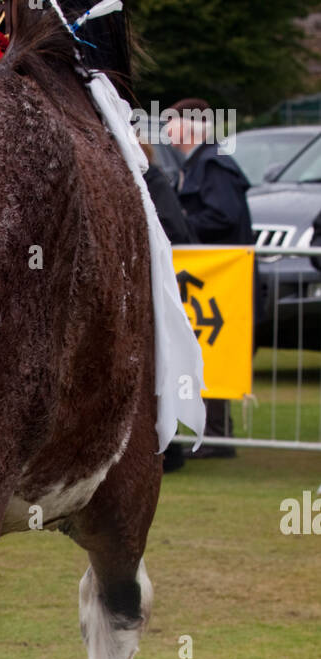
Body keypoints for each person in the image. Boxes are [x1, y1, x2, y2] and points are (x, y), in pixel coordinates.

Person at [167, 98, 254, 458]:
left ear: (189, 126)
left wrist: (181, 228)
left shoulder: (214, 165)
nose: (166, 131)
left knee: (214, 351)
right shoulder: (200, 164)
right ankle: (213, 433)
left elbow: (223, 217)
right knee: (206, 351)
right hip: (210, 279)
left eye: (171, 123)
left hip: (222, 278)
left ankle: (217, 437)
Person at [142, 144, 194, 473]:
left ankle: (169, 449)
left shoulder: (150, 177)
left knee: (160, 367)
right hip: (142, 289)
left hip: (154, 291)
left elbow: (174, 228)